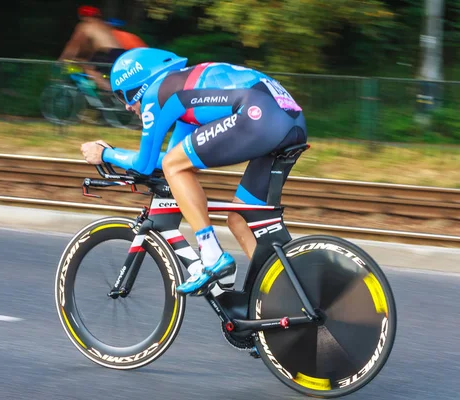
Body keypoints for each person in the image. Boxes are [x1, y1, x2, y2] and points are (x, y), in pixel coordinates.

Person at [80, 48, 307, 295]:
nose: (125, 106)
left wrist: (105, 153)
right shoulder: (183, 91)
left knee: (174, 166)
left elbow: (147, 165)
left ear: (138, 87)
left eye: (123, 96)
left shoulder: (156, 94)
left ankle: (211, 256)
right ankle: (283, 296)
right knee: (240, 218)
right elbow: (171, 157)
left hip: (258, 116)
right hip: (289, 120)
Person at [58, 5, 126, 91]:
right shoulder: (104, 25)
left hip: (106, 53)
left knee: (88, 68)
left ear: (81, 16)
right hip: (121, 53)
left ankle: (111, 91)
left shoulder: (85, 25)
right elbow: (94, 47)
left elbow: (72, 47)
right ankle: (112, 93)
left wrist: (61, 61)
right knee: (105, 72)